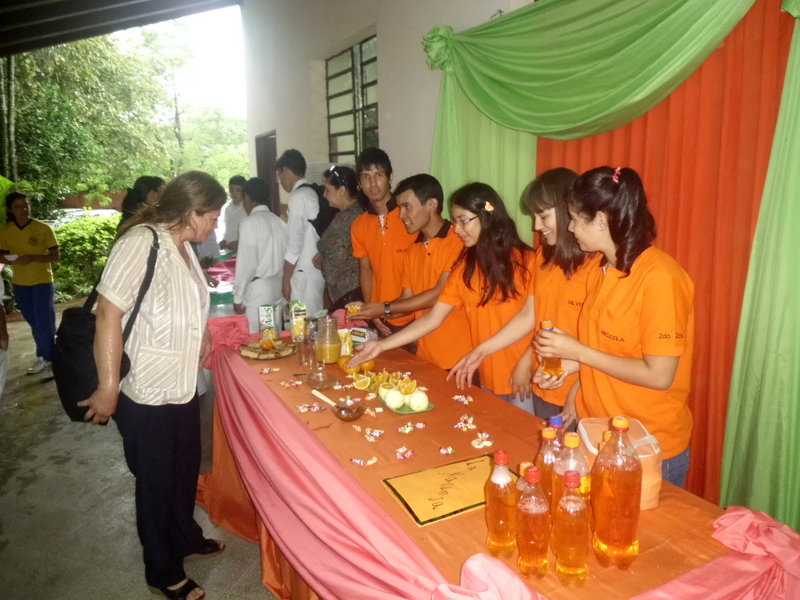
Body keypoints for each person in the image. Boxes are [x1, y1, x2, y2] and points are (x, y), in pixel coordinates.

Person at [78, 171, 228, 600]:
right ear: (191, 211)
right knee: (157, 482)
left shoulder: (182, 246)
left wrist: (202, 331)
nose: (215, 224)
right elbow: (108, 314)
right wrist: (108, 386)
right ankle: (161, 570)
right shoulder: (140, 243)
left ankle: (183, 536)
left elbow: (185, 300)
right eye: (212, 216)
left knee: (182, 471)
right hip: (145, 389)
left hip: (182, 386)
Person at [535, 166, 694, 487]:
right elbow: (608, 350)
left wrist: (578, 352)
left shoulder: (660, 278)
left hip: (646, 444)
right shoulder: (601, 269)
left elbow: (659, 375)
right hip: (598, 432)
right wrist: (568, 366)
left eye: (575, 218)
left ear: (601, 220)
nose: (570, 227)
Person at [349, 183, 536, 408]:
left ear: (487, 216)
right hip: (486, 374)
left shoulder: (528, 262)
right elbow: (432, 318)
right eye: (455, 222)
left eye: (464, 220)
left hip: (523, 377)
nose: (457, 229)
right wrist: (381, 346)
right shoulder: (466, 269)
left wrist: (526, 363)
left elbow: (539, 318)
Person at [449, 168, 600, 421]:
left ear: (568, 210)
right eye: (534, 217)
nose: (536, 226)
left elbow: (604, 344)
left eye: (543, 216)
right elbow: (529, 316)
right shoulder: (543, 258)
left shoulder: (596, 264)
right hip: (544, 384)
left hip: (581, 390)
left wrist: (580, 386)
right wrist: (481, 351)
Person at [350, 174, 471, 371]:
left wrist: (383, 308)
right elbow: (407, 302)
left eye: (407, 207)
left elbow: (439, 294)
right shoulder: (413, 250)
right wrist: (370, 310)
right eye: (400, 208)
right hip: (425, 355)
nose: (401, 215)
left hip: (460, 360)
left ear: (431, 205)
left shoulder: (459, 241)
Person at [350, 148, 416, 337]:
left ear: (390, 177)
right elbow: (366, 270)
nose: (373, 183)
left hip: (416, 315)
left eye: (378, 175)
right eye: (366, 177)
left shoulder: (410, 216)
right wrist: (371, 311)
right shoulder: (359, 225)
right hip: (382, 317)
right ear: (360, 183)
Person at [0, 192, 59, 375]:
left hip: (42, 282)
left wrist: (32, 257)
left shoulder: (43, 228)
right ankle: (52, 354)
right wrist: (11, 260)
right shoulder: (6, 231)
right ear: (11, 210)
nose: (23, 209)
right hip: (20, 283)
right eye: (17, 206)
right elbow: (1, 256)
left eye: (25, 205)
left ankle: (46, 358)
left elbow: (55, 256)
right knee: (35, 322)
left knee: (44, 321)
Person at [233, 177, 288, 333]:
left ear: (247, 196)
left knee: (255, 337)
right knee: (270, 335)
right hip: (276, 285)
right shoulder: (279, 222)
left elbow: (246, 264)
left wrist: (238, 296)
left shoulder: (249, 223)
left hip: (259, 290)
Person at [276, 149, 325, 316]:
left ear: (286, 170)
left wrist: (286, 279)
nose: (280, 181)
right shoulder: (311, 192)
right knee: (312, 322)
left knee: (303, 325)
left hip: (303, 274)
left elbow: (295, 242)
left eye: (280, 175)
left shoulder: (299, 196)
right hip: (312, 273)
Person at [312, 165, 364, 311]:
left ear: (341, 191)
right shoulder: (361, 211)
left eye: (328, 190)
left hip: (348, 291)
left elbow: (334, 267)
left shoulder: (345, 219)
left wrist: (323, 261)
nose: (324, 195)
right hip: (362, 288)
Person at [219, 175, 247, 251]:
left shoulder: (247, 210)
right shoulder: (227, 209)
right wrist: (224, 240)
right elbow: (228, 230)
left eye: (238, 190)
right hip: (229, 252)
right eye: (232, 190)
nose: (234, 193)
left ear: (243, 192)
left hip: (243, 251)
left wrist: (238, 243)